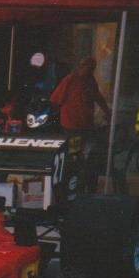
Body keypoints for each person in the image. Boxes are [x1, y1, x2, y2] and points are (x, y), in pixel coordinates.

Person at [50, 57, 111, 191]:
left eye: (92, 69)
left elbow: (97, 96)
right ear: (82, 67)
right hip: (72, 125)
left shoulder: (90, 80)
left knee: (81, 154)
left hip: (85, 125)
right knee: (75, 154)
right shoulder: (70, 79)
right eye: (89, 68)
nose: (90, 71)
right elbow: (55, 99)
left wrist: (107, 111)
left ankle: (79, 181)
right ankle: (73, 182)